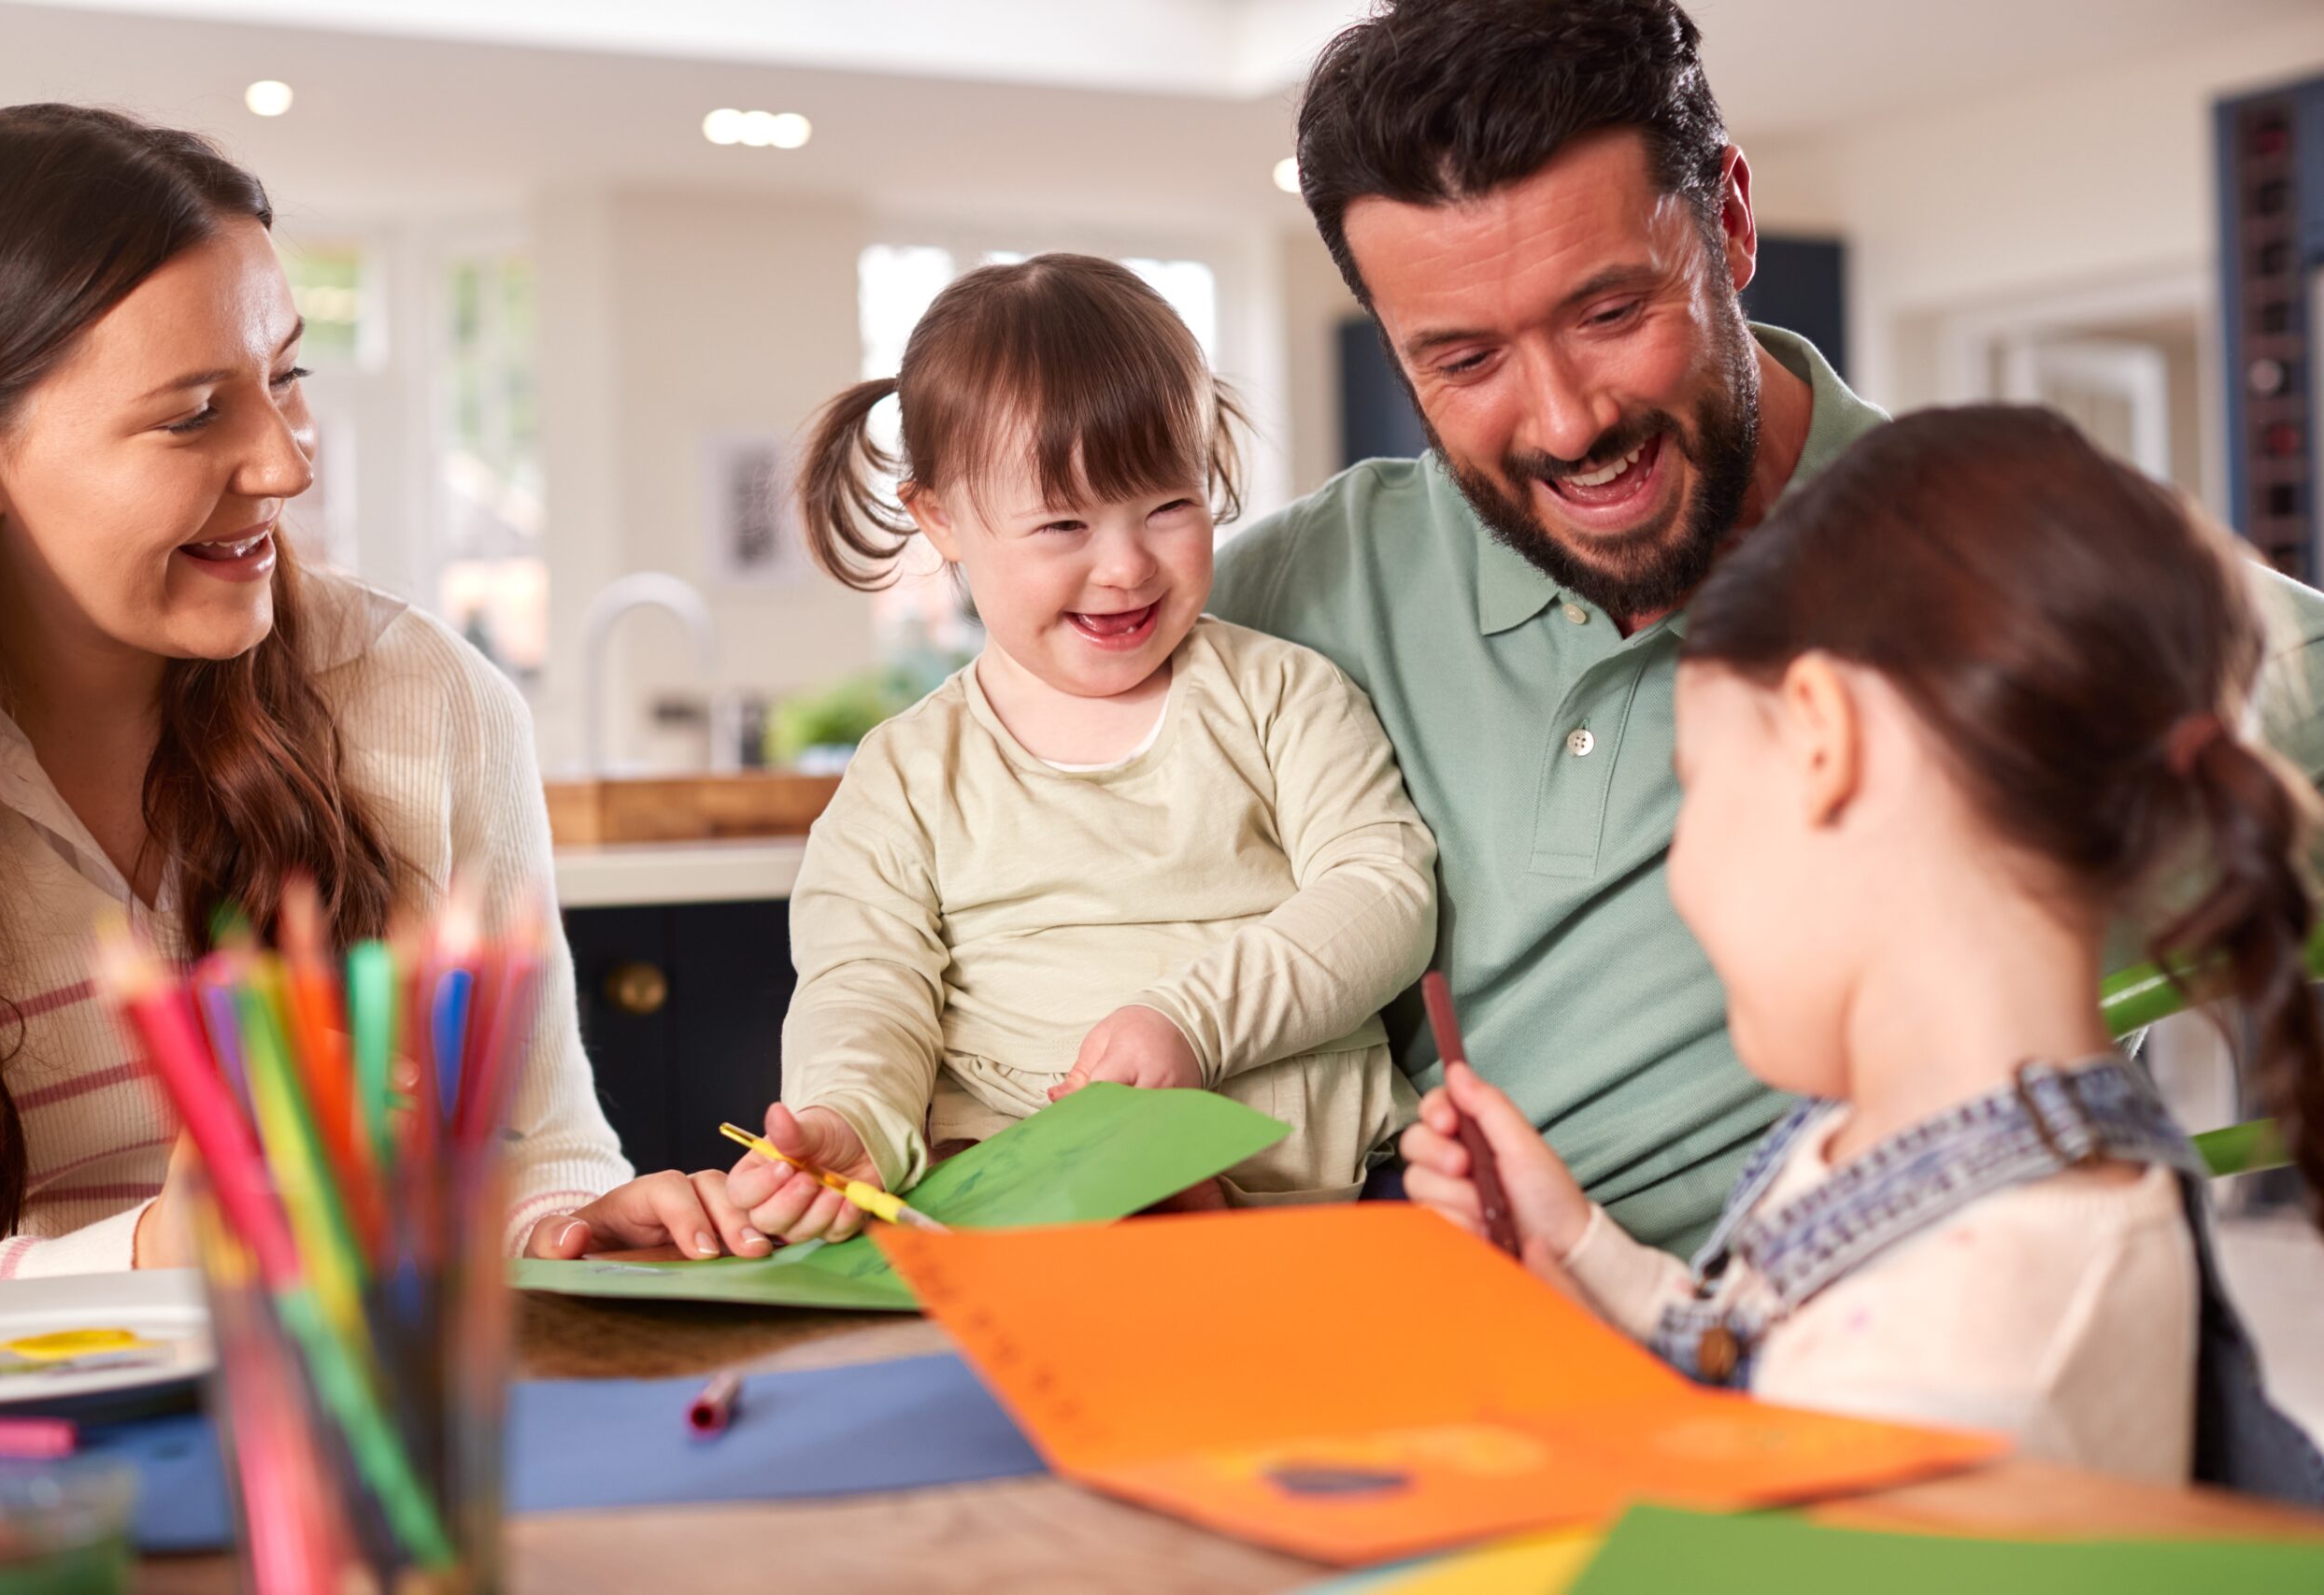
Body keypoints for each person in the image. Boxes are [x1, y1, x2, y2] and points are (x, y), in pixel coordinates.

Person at [1209, 0, 2324, 1253]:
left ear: (1729, 222)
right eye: (1465, 362)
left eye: (1610, 313)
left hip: (1810, 1380)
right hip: (1348, 1345)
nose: (1567, 420)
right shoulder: (1298, 590)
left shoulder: (1999, 565)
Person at [1405, 407, 2324, 1496]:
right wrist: (1575, 1250)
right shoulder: (1900, 1137)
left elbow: (1757, 1523)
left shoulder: (1976, 1340)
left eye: (1697, 788)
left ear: (1822, 739)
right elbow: (1751, 1370)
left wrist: (1554, 1387)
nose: (1680, 873)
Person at [0, 104, 701, 1280]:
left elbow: (541, 1143)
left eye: (284, 377)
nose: (288, 462)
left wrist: (569, 1226)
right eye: (193, 415)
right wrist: (158, 1249)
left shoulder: (423, 695)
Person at [687, 254, 1436, 1254]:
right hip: (1028, 1212)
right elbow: (865, 983)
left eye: (1167, 506)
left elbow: (1383, 892)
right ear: (942, 519)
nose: (1124, 566)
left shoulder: (1283, 695)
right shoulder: (905, 775)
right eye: (1063, 524)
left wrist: (1193, 1022)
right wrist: (851, 1115)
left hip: (1312, 1204)